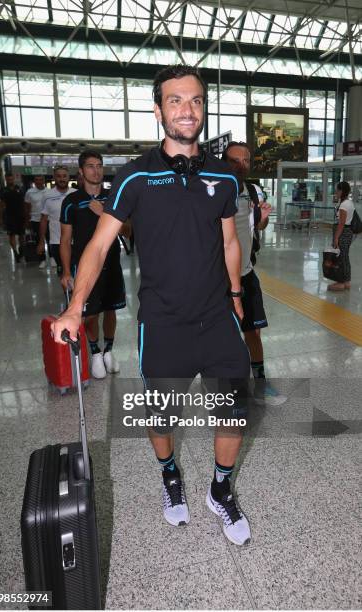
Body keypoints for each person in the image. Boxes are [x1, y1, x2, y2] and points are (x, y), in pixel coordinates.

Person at [52, 65, 252, 546]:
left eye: (197, 101)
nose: (188, 110)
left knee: (234, 413)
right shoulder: (136, 177)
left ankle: (220, 489)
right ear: (158, 109)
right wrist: (75, 306)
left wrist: (237, 295)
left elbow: (228, 242)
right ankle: (169, 473)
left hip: (218, 317)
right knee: (162, 417)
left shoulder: (224, 177)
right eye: (177, 100)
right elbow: (97, 247)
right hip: (162, 323)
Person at [222, 142, 286, 406]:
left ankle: (259, 383)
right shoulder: (212, 189)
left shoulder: (253, 190)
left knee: (254, 332)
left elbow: (259, 224)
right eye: (235, 160)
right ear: (224, 161)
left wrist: (262, 217)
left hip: (246, 274)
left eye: (246, 160)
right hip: (217, 279)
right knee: (222, 336)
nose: (241, 165)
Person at [60, 151, 126, 378]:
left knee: (111, 309)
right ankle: (95, 352)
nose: (96, 170)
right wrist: (67, 271)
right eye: (90, 166)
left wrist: (105, 213)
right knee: (90, 314)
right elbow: (65, 240)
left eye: (99, 165)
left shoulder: (113, 197)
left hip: (113, 262)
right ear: (81, 171)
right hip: (86, 266)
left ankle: (108, 351)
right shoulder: (71, 202)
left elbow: (127, 231)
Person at [37, 166, 75, 274]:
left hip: (76, 241)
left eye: (64, 176)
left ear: (69, 178)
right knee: (63, 271)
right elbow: (44, 220)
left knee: (76, 270)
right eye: (58, 176)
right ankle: (67, 291)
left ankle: (75, 291)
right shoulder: (47, 195)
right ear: (54, 178)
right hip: (56, 241)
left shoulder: (76, 194)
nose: (62, 179)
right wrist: (41, 241)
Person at [328, 180, 355, 291]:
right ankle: (347, 281)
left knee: (339, 258)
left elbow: (341, 223)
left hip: (343, 233)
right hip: (347, 232)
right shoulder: (349, 203)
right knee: (344, 257)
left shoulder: (344, 205)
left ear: (342, 191)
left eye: (337, 191)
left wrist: (336, 238)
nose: (336, 193)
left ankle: (341, 282)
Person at [0, 174, 25, 263]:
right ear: (6, 179)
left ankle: (21, 249)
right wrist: (1, 218)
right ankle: (15, 252)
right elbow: (1, 205)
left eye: (11, 179)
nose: (10, 180)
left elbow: (24, 202)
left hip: (20, 215)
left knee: (22, 235)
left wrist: (26, 215)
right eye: (8, 179)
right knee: (11, 235)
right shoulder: (3, 190)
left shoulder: (19, 188)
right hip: (9, 216)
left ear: (13, 179)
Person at [24, 175, 48, 269]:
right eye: (37, 180)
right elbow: (26, 207)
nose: (39, 181)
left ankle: (52, 257)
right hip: (35, 219)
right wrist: (27, 220)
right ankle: (42, 259)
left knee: (50, 238)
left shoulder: (48, 191)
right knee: (39, 239)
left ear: (43, 180)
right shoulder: (29, 192)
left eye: (41, 179)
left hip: (48, 219)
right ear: (34, 181)